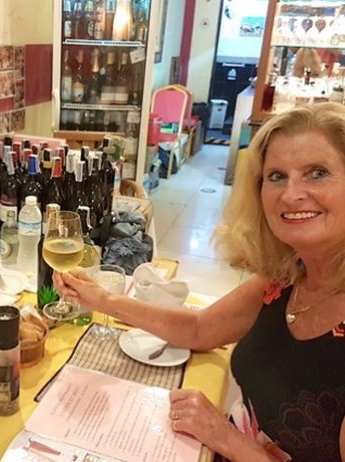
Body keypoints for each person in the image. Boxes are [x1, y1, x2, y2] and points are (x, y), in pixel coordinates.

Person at [55, 102, 345, 462]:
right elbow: (200, 329)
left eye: (318, 173)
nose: (290, 194)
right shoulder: (288, 276)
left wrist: (226, 437)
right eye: (276, 176)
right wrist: (102, 300)